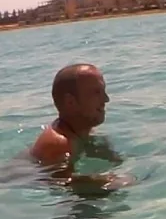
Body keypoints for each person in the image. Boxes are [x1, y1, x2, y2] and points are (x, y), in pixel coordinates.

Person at [29, 63, 134, 191]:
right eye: (96, 93)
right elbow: (60, 185)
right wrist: (110, 182)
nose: (106, 99)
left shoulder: (81, 131)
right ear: (70, 102)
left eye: (103, 91)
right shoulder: (58, 143)